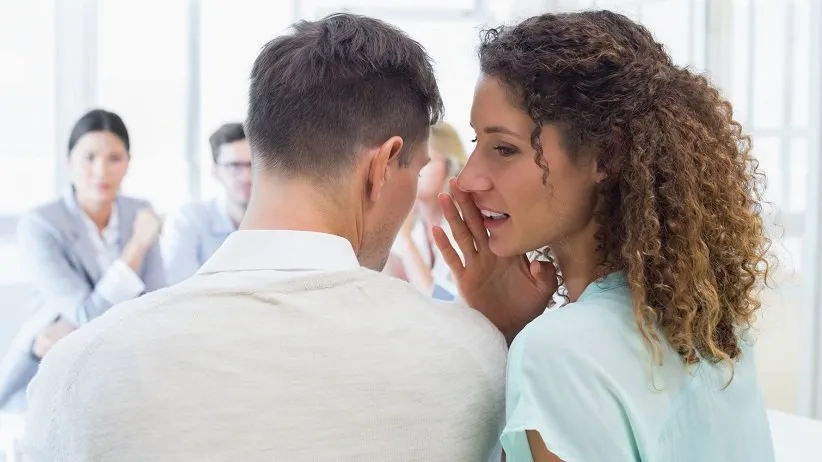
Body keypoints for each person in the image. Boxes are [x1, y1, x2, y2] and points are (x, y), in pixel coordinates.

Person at [22, 14, 507, 462]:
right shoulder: (469, 356)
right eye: (416, 171)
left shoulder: (79, 370)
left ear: (261, 144)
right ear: (382, 167)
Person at [434, 10, 775, 462]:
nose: (469, 178)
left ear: (606, 155)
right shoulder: (709, 327)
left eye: (504, 149)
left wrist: (515, 342)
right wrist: (512, 332)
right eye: (477, 143)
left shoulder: (559, 353)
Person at [0, 109, 165, 413]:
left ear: (128, 163)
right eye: (89, 157)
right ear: (69, 161)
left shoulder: (140, 212)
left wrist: (78, 325)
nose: (101, 171)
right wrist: (136, 247)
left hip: (121, 371)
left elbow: (157, 306)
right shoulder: (41, 225)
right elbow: (86, 313)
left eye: (114, 158)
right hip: (44, 375)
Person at [162, 122, 251, 284]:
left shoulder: (281, 222)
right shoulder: (189, 219)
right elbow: (180, 289)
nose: (246, 177)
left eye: (253, 165)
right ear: (215, 170)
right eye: (234, 166)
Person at [387, 121, 467, 300]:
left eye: (426, 161)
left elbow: (444, 303)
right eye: (409, 159)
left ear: (450, 166)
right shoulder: (413, 224)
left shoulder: (466, 225)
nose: (414, 169)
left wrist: (406, 241)